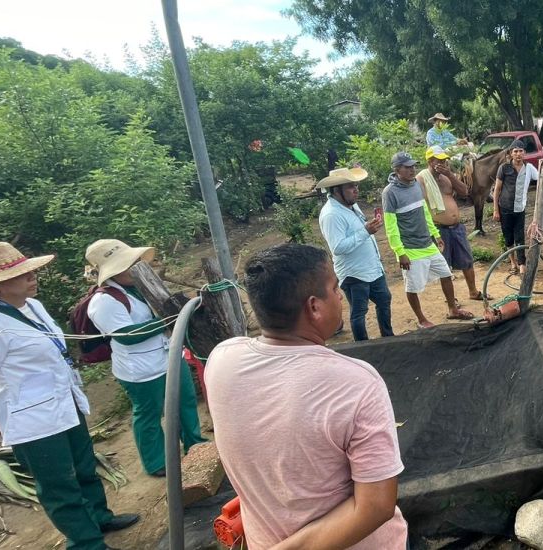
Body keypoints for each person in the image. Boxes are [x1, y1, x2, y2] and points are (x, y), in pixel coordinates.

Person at [204, 244, 406, 549]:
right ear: (314, 307)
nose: (340, 296)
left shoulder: (221, 358)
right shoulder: (356, 383)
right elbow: (375, 507)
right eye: (335, 288)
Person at [0, 242, 139, 550]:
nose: (32, 277)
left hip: (64, 404)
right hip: (33, 422)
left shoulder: (32, 306)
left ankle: (99, 517)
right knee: (58, 486)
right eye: (22, 275)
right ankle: (87, 543)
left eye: (30, 271)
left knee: (84, 467)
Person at [84, 239, 206, 476]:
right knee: (150, 414)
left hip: (169, 354)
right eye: (126, 265)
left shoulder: (142, 286)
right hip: (141, 368)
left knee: (185, 402)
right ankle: (157, 462)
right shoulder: (104, 301)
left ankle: (195, 445)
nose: (133, 268)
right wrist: (166, 320)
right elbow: (126, 335)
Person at [383, 151, 473, 328]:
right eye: (407, 167)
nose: (412, 170)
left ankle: (453, 309)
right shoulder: (390, 193)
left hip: (427, 243)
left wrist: (435, 234)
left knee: (446, 274)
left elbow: (424, 210)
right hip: (410, 248)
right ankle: (421, 319)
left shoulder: (415, 184)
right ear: (396, 169)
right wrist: (400, 252)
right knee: (412, 286)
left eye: (413, 166)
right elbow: (390, 226)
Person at [318, 167, 395, 341]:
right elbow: (338, 247)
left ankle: (388, 338)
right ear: (337, 191)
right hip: (354, 273)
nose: (356, 190)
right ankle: (362, 346)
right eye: (350, 187)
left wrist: (368, 227)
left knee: (384, 300)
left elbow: (358, 231)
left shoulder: (350, 205)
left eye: (356, 186)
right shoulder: (332, 214)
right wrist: (365, 231)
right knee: (359, 312)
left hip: (372, 268)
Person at [418, 146, 485, 300]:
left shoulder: (447, 176)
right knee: (444, 266)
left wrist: (450, 175)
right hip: (439, 229)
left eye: (444, 160)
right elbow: (421, 205)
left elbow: (464, 191)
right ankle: (451, 301)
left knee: (467, 260)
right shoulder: (421, 178)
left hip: (457, 227)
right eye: (439, 160)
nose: (443, 162)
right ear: (430, 161)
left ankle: (473, 292)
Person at [491, 140, 539, 274]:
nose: (518, 154)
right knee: (508, 237)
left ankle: (522, 263)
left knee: (519, 237)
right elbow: (497, 190)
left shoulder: (529, 168)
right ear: (511, 154)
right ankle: (513, 262)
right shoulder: (504, 168)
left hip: (520, 209)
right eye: (515, 151)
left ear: (525, 153)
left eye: (521, 151)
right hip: (504, 208)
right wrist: (496, 210)